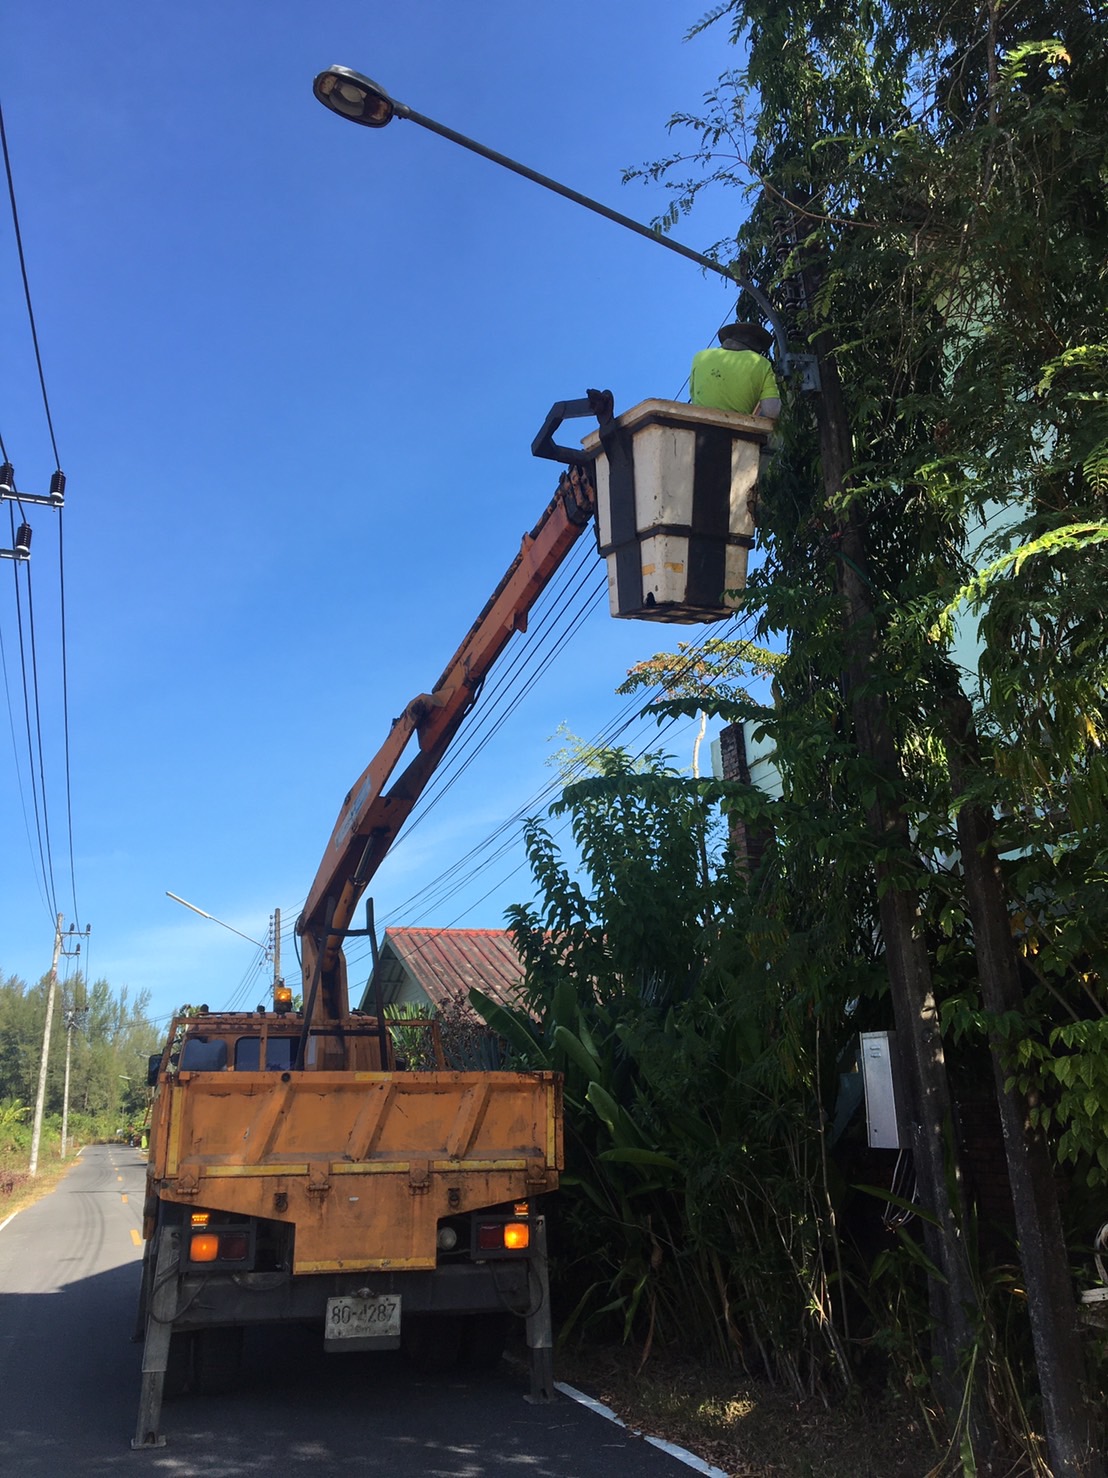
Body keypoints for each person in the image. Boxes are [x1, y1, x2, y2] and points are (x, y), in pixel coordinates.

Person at [690, 320, 781, 421]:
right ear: (757, 346)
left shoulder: (700, 357)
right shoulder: (762, 363)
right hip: (736, 430)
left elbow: (694, 396)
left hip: (698, 426)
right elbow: (772, 411)